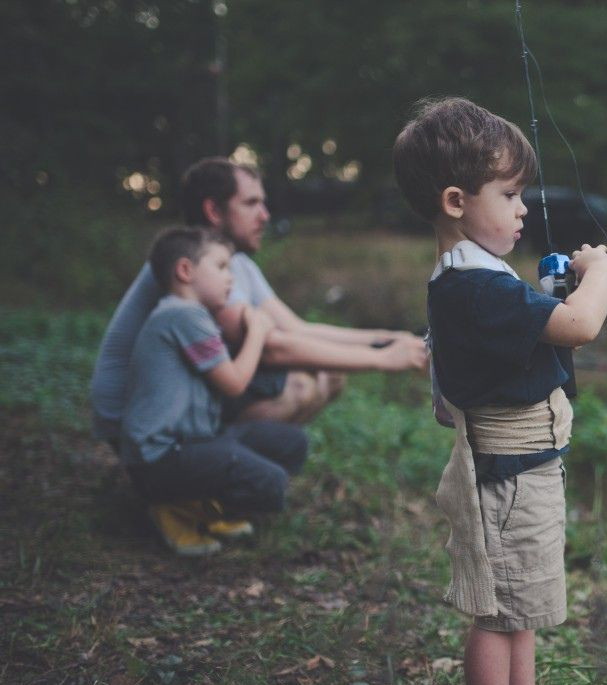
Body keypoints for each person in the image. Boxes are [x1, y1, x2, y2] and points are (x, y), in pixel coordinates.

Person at [393, 97, 607, 685]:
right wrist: (600, 271)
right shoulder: (477, 287)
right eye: (510, 194)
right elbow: (581, 326)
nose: (523, 208)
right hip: (511, 480)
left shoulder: (473, 277)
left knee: (521, 610)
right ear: (456, 202)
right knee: (499, 616)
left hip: (522, 471)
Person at [90, 158, 427, 445]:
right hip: (134, 421)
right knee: (300, 385)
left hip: (180, 400)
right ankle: (211, 477)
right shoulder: (195, 271)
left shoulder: (234, 263)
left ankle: (238, 470)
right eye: (251, 204)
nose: (265, 215)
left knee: (330, 374)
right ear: (213, 210)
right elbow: (273, 348)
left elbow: (297, 328)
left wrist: (386, 338)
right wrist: (384, 360)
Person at [122, 226, 308, 556]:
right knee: (271, 483)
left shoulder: (190, 315)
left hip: (194, 442)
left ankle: (199, 503)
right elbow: (234, 382)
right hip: (160, 459)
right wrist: (258, 330)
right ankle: (177, 509)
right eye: (221, 267)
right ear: (185, 271)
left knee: (292, 442)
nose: (230, 278)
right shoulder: (182, 315)